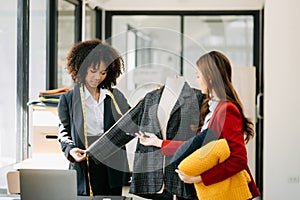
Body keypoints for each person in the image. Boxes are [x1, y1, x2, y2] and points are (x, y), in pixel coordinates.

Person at [175, 50, 260, 199]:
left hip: (226, 191)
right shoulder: (211, 108)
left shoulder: (227, 110)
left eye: (198, 76)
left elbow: (238, 159)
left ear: (210, 77)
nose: (197, 80)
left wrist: (199, 179)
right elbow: (197, 146)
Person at [57, 39, 130, 196]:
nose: (98, 77)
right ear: (81, 69)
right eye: (93, 71)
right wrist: (71, 150)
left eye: (103, 72)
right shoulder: (68, 99)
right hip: (84, 161)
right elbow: (64, 132)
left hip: (112, 162)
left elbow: (131, 121)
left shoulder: (115, 96)